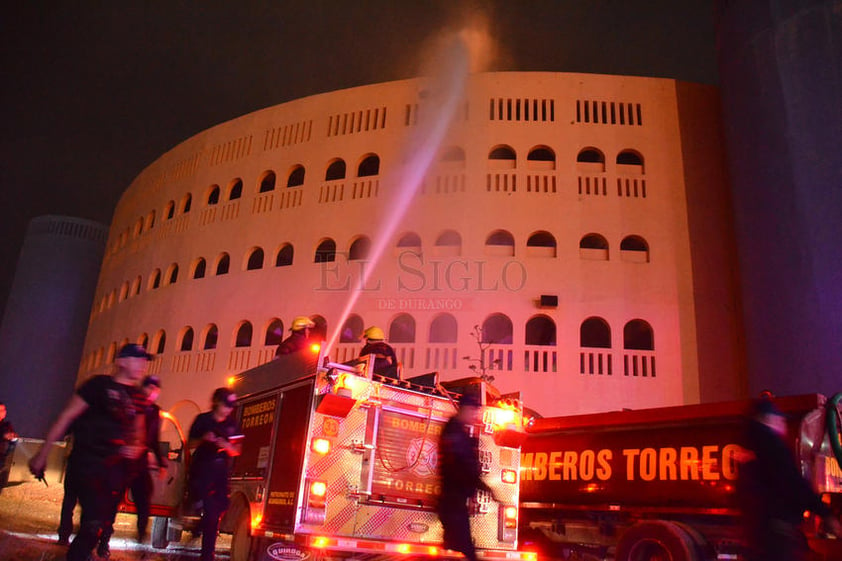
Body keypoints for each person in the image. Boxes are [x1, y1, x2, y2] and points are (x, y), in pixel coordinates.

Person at [29, 343, 153, 561]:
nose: (143, 365)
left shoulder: (139, 397)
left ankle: (81, 553)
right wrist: (42, 453)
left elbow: (139, 432)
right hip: (87, 463)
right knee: (93, 522)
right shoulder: (98, 386)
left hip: (114, 470)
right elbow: (67, 416)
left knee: (100, 523)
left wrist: (136, 447)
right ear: (121, 361)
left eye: (144, 361)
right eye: (137, 359)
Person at [736, 397, 842, 561]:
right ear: (769, 419)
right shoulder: (771, 444)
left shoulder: (748, 443)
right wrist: (825, 514)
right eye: (780, 420)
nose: (783, 424)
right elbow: (793, 483)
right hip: (777, 530)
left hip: (756, 529)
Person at [99, 374, 167, 548]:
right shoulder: (130, 403)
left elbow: (154, 439)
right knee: (113, 501)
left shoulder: (155, 412)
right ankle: (103, 539)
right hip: (122, 461)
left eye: (155, 389)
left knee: (144, 499)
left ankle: (141, 536)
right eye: (149, 388)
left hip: (140, 462)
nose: (152, 393)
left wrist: (161, 463)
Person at [436, 392, 498, 561]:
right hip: (453, 502)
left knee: (458, 549)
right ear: (464, 409)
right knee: (465, 550)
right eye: (473, 410)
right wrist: (483, 487)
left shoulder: (456, 431)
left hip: (454, 503)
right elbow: (461, 468)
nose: (475, 415)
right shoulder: (454, 433)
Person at [187, 387, 242, 561]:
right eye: (226, 405)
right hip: (202, 468)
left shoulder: (232, 425)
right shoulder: (203, 420)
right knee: (209, 509)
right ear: (217, 402)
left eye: (231, 406)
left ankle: (203, 533)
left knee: (220, 507)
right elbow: (189, 443)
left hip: (220, 471)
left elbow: (237, 450)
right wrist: (204, 439)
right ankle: (207, 553)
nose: (229, 409)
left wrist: (226, 445)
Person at [0, 401, 18, 490]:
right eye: (0, 410)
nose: (2, 412)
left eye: (3, 410)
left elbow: (13, 442)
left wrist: (13, 438)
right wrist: (3, 435)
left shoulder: (6, 425)